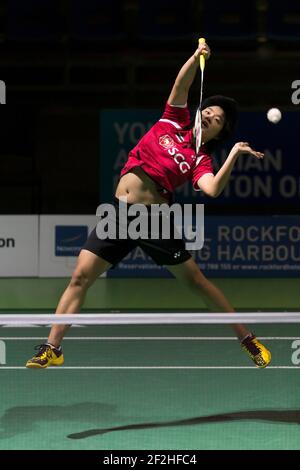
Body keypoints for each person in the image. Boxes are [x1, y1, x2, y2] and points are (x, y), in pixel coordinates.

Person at [26, 41, 271, 369]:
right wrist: (196, 57)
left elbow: (211, 189)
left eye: (217, 120)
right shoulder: (172, 120)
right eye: (209, 110)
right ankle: (52, 347)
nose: (210, 115)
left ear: (219, 132)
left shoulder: (200, 158)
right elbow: (181, 84)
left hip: (154, 219)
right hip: (118, 212)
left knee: (195, 282)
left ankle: (246, 338)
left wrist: (233, 156)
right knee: (80, 277)